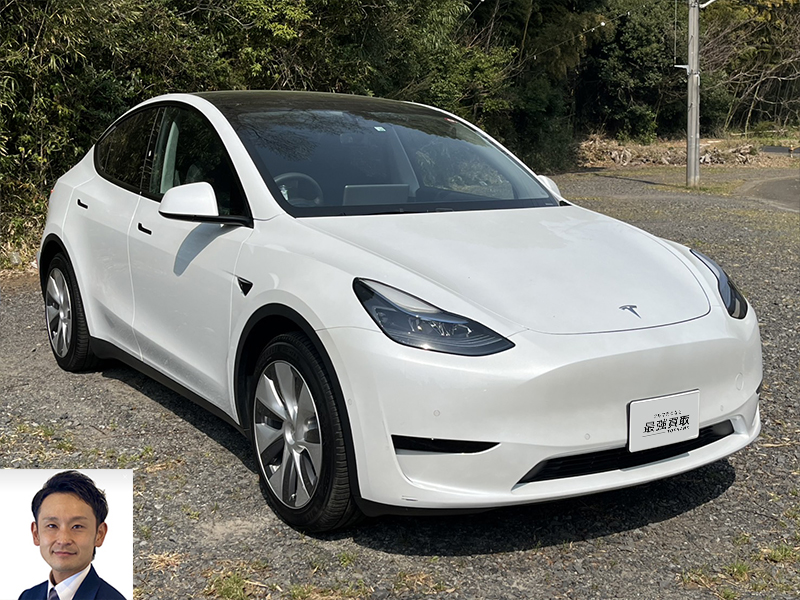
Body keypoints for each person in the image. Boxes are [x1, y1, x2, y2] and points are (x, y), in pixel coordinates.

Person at [19, 470, 126, 600]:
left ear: (99, 534)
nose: (63, 540)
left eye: (77, 526)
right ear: (36, 534)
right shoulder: (28, 596)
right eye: (52, 526)